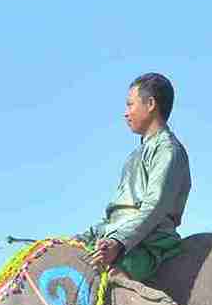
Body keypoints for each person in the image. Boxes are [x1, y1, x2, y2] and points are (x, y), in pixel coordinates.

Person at [76, 74, 191, 281]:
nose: (125, 113)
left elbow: (155, 208)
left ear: (150, 104)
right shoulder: (135, 156)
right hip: (117, 236)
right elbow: (115, 216)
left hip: (149, 243)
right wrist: (81, 238)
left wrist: (119, 243)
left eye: (130, 105)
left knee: (106, 282)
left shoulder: (167, 150)